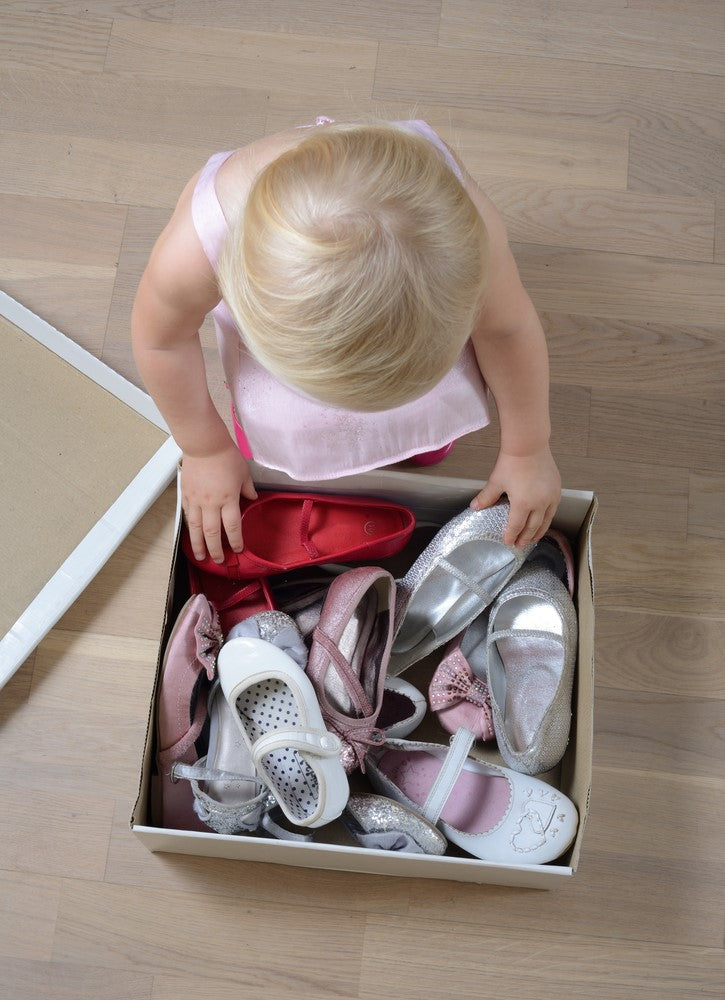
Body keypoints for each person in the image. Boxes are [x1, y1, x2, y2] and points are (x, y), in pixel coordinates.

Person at [132, 117, 561, 565]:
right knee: (266, 434)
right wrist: (206, 447)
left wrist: (527, 447)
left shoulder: (466, 231)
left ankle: (420, 432)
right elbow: (161, 341)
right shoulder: (198, 247)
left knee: (425, 425)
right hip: (277, 380)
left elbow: (507, 329)